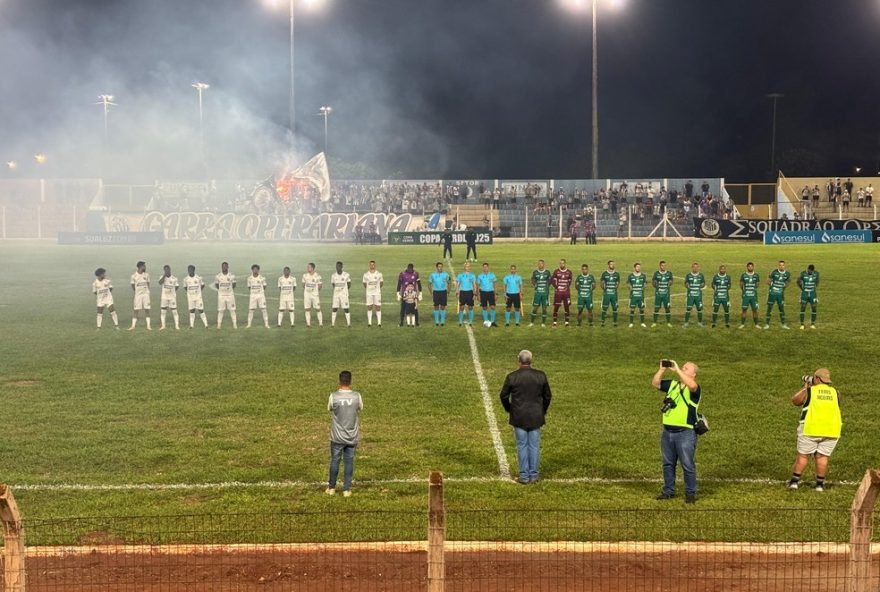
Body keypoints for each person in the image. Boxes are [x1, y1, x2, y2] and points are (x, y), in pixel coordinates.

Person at [652, 359, 702, 503]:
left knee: (687, 464)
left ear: (694, 374)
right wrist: (661, 370)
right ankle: (668, 491)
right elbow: (655, 384)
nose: (682, 369)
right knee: (668, 463)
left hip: (685, 432)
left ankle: (690, 493)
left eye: (686, 368)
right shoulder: (673, 385)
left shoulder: (694, 389)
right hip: (667, 432)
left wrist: (678, 370)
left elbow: (692, 385)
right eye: (683, 367)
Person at [499, 350, 552, 485]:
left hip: (519, 416)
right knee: (534, 446)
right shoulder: (541, 375)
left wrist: (509, 409)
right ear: (531, 360)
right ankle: (533, 475)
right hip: (536, 416)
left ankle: (524, 475)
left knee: (522, 445)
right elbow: (548, 396)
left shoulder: (512, 377)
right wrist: (542, 410)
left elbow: (503, 396)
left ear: (519, 361)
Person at [787, 368, 841, 492]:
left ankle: (794, 482)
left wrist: (806, 387)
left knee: (803, 456)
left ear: (817, 379)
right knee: (822, 457)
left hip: (811, 429)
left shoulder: (810, 391)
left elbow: (795, 401)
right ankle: (819, 485)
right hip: (832, 430)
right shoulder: (836, 393)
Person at [325, 370, 363, 498]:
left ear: (339, 381)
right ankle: (346, 490)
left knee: (335, 461)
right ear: (350, 381)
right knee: (349, 463)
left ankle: (331, 488)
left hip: (337, 436)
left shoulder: (333, 396)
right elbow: (360, 408)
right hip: (352, 436)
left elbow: (329, 408)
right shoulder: (357, 396)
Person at [764, 260, 791, 329]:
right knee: (769, 308)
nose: (781, 266)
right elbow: (768, 281)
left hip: (780, 294)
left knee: (781, 308)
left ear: (784, 266)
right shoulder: (774, 272)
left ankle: (783, 324)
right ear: (778, 266)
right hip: (772, 294)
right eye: (780, 265)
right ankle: (767, 324)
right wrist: (772, 285)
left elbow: (788, 282)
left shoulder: (787, 274)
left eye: (783, 265)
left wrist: (783, 287)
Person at [129, 261, 152, 330]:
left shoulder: (146, 275)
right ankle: (133, 326)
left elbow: (148, 284)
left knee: (147, 309)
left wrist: (146, 291)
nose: (145, 267)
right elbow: (133, 285)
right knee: (136, 310)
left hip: (146, 295)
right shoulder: (134, 276)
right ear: (140, 267)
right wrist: (137, 291)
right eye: (144, 266)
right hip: (138, 295)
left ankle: (148, 326)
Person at [214, 261, 238, 329]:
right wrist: (222, 290)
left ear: (228, 267)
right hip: (221, 295)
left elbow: (234, 284)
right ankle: (219, 325)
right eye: (223, 266)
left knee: (232, 310)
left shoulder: (231, 276)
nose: (224, 267)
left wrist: (228, 290)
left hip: (230, 295)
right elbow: (216, 285)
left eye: (225, 266)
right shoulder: (218, 276)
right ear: (221, 267)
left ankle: (235, 324)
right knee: (221, 310)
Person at [550, 258, 573, 327]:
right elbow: (553, 281)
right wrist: (557, 288)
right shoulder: (556, 272)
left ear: (565, 264)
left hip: (566, 293)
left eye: (563, 263)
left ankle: (567, 323)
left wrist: (566, 287)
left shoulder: (569, 272)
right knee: (556, 307)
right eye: (560, 263)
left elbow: (570, 281)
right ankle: (554, 323)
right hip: (558, 293)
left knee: (567, 307)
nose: (561, 264)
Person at [246, 264, 270, 329]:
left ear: (258, 270)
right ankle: (249, 325)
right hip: (253, 295)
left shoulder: (262, 278)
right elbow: (249, 287)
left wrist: (260, 292)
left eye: (256, 269)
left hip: (261, 295)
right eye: (254, 269)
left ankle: (266, 325)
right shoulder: (249, 278)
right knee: (251, 310)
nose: (255, 270)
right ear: (252, 270)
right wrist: (254, 292)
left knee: (264, 309)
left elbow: (264, 286)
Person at [682, 262, 705, 328]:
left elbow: (703, 283)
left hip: (698, 296)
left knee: (699, 309)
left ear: (698, 268)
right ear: (692, 268)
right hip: (690, 295)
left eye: (696, 267)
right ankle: (686, 323)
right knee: (688, 308)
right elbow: (686, 283)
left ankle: (700, 323)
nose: (695, 268)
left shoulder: (701, 275)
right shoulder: (688, 275)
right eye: (694, 267)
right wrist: (687, 285)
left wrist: (702, 285)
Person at [529, 259, 551, 327]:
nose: (540, 265)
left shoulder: (547, 272)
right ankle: (532, 322)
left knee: (544, 308)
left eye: (541, 264)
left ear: (544, 264)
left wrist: (546, 286)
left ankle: (543, 323)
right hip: (537, 293)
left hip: (545, 293)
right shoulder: (535, 272)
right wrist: (534, 284)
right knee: (535, 308)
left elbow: (550, 281)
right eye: (539, 264)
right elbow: (532, 280)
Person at [330, 261, 352, 328]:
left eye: (339, 266)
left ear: (342, 267)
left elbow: (349, 284)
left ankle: (349, 324)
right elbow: (333, 284)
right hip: (336, 294)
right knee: (334, 308)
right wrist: (337, 289)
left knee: (346, 308)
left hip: (344, 294)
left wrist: (344, 291)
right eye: (336, 266)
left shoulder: (346, 275)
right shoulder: (333, 275)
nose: (337, 268)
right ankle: (332, 324)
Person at [158, 264, 180, 330]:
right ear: (164, 270)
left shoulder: (174, 278)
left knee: (174, 311)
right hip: (164, 297)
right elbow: (160, 283)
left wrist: (172, 292)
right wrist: (164, 276)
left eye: (168, 270)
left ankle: (177, 326)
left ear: (170, 270)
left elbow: (177, 286)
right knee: (163, 311)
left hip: (172, 297)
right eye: (165, 270)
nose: (167, 271)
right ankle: (163, 326)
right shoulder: (162, 277)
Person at [739, 262, 760, 329]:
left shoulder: (756, 275)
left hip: (753, 296)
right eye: (749, 266)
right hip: (746, 296)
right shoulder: (743, 275)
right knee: (744, 309)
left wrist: (752, 289)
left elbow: (757, 285)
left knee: (755, 310)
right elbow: (741, 284)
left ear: (753, 267)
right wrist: (744, 291)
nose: (750, 268)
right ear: (747, 267)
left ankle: (756, 324)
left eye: (751, 266)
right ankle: (742, 324)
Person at [651, 261, 673, 328]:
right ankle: (654, 322)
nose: (664, 267)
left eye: (665, 265)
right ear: (660, 266)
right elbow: (653, 282)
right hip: (658, 294)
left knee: (667, 308)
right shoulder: (656, 273)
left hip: (666, 294)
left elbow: (671, 280)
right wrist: (655, 285)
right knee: (656, 308)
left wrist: (670, 282)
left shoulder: (669, 273)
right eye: (662, 265)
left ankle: (668, 322)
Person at [362, 260, 384, 327]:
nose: (372, 266)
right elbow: (364, 284)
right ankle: (369, 323)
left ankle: (379, 323)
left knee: (378, 307)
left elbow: (381, 283)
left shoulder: (379, 274)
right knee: (369, 307)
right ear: (369, 265)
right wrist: (369, 289)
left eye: (373, 264)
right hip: (369, 293)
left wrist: (377, 289)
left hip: (377, 293)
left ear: (375, 265)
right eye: (371, 264)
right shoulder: (366, 274)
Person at [798, 264, 819, 330]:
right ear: (808, 269)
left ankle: (812, 324)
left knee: (814, 308)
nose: (811, 272)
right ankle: (802, 324)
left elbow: (817, 282)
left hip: (813, 293)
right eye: (810, 271)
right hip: (805, 293)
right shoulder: (803, 273)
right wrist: (802, 289)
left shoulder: (816, 273)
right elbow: (798, 281)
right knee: (803, 307)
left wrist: (814, 288)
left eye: (812, 271)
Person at [429, 262, 451, 327]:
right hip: (436, 292)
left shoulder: (446, 274)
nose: (440, 268)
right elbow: (429, 284)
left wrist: (448, 291)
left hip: (443, 292)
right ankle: (436, 321)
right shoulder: (432, 275)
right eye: (439, 267)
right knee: (436, 306)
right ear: (436, 267)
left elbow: (449, 283)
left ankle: (442, 321)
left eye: (441, 267)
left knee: (443, 306)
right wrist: (431, 292)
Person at [455, 261, 477, 326]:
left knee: (470, 307)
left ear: (470, 267)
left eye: (468, 266)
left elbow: (474, 285)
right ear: (464, 267)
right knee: (461, 307)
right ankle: (460, 321)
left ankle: (470, 321)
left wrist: (475, 294)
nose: (467, 267)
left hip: (470, 292)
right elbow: (458, 284)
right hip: (462, 292)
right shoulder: (460, 275)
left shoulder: (472, 275)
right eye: (466, 266)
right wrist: (457, 292)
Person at [302, 262, 323, 327]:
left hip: (315, 295)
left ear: (313, 268)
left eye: (309, 267)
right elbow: (303, 284)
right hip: (307, 294)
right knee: (307, 309)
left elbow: (320, 285)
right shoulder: (305, 275)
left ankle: (320, 323)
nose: (307, 268)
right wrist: (308, 290)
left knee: (318, 309)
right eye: (307, 267)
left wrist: (315, 291)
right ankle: (308, 324)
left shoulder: (318, 276)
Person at [477, 262, 498, 327]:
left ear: (488, 267)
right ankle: (486, 321)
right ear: (482, 268)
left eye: (486, 267)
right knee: (484, 307)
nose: (485, 268)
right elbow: (478, 285)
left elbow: (495, 284)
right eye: (484, 267)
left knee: (492, 307)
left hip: (491, 292)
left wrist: (496, 293)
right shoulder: (480, 276)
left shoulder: (492, 275)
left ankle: (492, 321)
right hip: (483, 293)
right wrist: (478, 294)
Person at [600, 260, 620, 327]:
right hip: (607, 294)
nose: (612, 265)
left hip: (614, 294)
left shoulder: (617, 274)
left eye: (613, 264)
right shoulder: (604, 274)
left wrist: (614, 289)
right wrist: (605, 290)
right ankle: (602, 322)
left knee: (615, 308)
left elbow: (617, 283)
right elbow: (602, 283)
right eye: (611, 264)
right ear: (608, 265)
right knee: (604, 308)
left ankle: (615, 322)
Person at [627, 262, 647, 328]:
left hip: (641, 295)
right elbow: (628, 284)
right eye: (637, 267)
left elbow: (645, 284)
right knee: (632, 309)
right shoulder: (630, 276)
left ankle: (642, 322)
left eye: (639, 267)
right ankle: (631, 323)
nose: (638, 268)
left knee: (641, 309)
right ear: (634, 268)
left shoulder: (643, 275)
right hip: (633, 296)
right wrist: (630, 287)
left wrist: (643, 287)